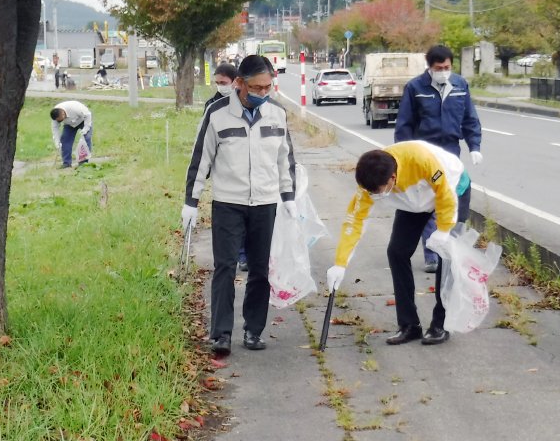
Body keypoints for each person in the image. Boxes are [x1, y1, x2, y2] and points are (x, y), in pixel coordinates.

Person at [182, 55, 297, 356]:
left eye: (268, 87)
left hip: (265, 203)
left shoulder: (277, 113)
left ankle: (253, 330)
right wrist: (191, 202)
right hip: (228, 203)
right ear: (240, 84)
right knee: (225, 267)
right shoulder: (217, 113)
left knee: (260, 269)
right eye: (257, 88)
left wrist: (289, 198)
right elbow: (200, 159)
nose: (263, 93)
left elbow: (286, 159)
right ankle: (220, 333)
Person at [326, 140, 472, 347]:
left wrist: (444, 229)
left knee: (446, 257)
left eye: (379, 192)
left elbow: (445, 194)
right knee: (397, 252)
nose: (374, 196)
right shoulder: (369, 183)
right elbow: (354, 222)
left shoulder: (421, 160)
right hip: (413, 202)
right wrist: (340, 263)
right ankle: (409, 325)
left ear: (392, 178)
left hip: (452, 189)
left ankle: (441, 324)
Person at [395, 44, 482, 273]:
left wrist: (474, 146)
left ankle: (450, 250)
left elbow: (470, 119)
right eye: (439, 67)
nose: (444, 71)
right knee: (429, 204)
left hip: (451, 152)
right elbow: (404, 125)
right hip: (425, 154)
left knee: (451, 199)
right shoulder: (415, 87)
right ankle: (432, 254)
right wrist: (404, 157)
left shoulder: (460, 85)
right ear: (430, 67)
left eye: (447, 67)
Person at [203, 62, 248, 272]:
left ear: (235, 82)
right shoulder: (211, 105)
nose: (220, 86)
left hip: (244, 168)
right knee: (231, 220)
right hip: (223, 170)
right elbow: (205, 142)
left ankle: (247, 254)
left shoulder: (244, 103)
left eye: (224, 82)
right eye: (217, 82)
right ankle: (238, 256)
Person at [50, 101, 93, 168]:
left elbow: (88, 115)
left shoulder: (75, 108)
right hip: (69, 124)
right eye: (58, 121)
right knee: (65, 140)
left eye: (60, 120)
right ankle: (66, 163)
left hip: (83, 120)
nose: (59, 122)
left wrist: (86, 128)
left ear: (63, 113)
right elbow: (55, 129)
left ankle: (83, 163)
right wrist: (57, 142)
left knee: (86, 138)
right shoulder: (55, 116)